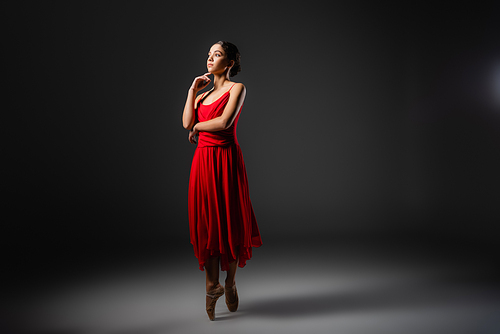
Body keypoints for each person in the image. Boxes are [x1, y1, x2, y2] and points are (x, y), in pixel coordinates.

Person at [182, 41, 262, 321]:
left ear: (229, 63)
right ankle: (211, 284)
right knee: (208, 222)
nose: (210, 59)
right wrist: (193, 89)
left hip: (226, 160)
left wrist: (197, 127)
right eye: (208, 54)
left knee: (229, 219)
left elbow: (224, 122)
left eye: (216, 55)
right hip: (203, 162)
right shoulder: (201, 95)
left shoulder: (237, 88)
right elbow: (185, 122)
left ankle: (229, 282)